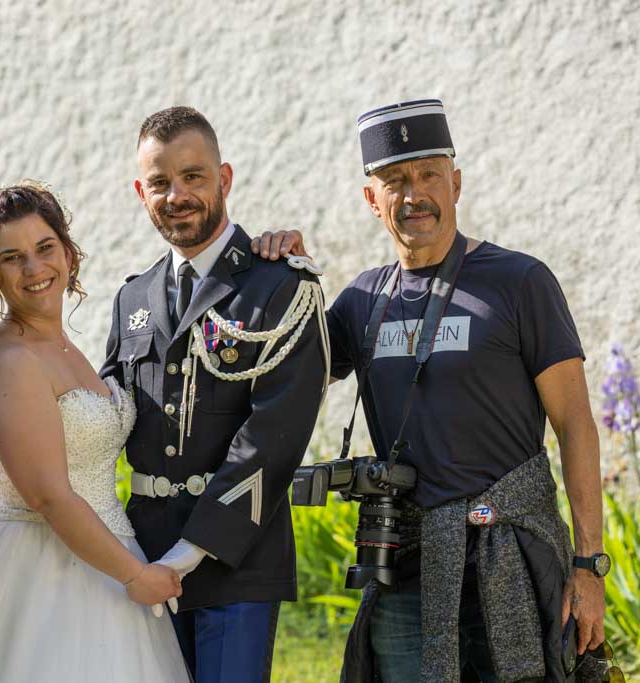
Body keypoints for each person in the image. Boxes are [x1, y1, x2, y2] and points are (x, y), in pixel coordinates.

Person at [253, 99, 607, 682]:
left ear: (456, 184)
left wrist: (589, 565)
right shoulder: (361, 301)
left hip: (512, 556)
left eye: (428, 175)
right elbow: (278, 372)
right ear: (372, 200)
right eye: (394, 180)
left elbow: (576, 425)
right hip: (408, 565)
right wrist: (275, 276)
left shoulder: (520, 282)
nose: (414, 194)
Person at [0, 183, 191, 683]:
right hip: (40, 568)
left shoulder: (63, 345)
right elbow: (48, 496)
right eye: (12, 258)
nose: (34, 268)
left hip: (104, 550)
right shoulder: (11, 359)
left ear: (68, 253)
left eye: (45, 248)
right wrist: (135, 575)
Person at [99, 106, 330, 683]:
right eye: (160, 182)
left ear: (223, 178)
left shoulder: (281, 286)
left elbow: (274, 435)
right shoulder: (133, 298)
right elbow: (102, 418)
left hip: (237, 559)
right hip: (144, 555)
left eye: (192, 176)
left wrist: (192, 550)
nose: (176, 195)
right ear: (141, 192)